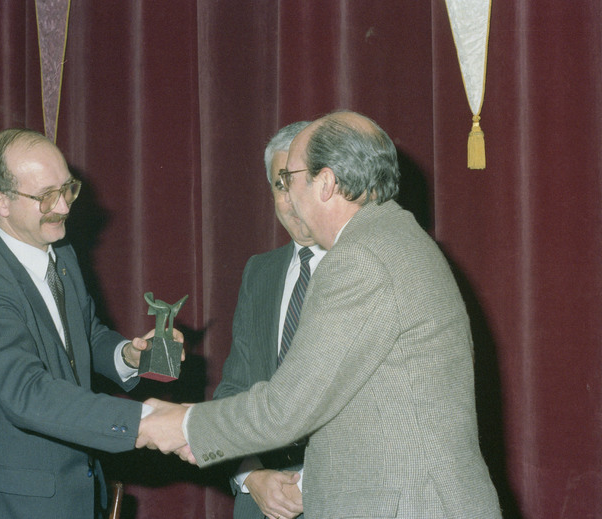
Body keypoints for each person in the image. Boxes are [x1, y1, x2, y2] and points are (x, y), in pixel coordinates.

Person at [137, 110, 502, 518]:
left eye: (289, 178)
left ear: (325, 183)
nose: (287, 195)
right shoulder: (395, 235)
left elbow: (287, 408)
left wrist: (183, 425)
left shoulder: (360, 258)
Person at [0, 128, 181, 518]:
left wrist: (129, 356)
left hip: (71, 492)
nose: (65, 206)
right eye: (46, 196)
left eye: (68, 188)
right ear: (0, 201)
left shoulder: (60, 252)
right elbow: (27, 393)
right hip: (10, 504)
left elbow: (85, 334)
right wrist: (145, 422)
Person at [213, 121, 324, 519]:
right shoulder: (259, 272)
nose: (292, 201)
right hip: (259, 503)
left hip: (340, 496)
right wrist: (251, 476)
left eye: (303, 182)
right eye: (280, 185)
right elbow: (233, 391)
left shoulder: (364, 267)